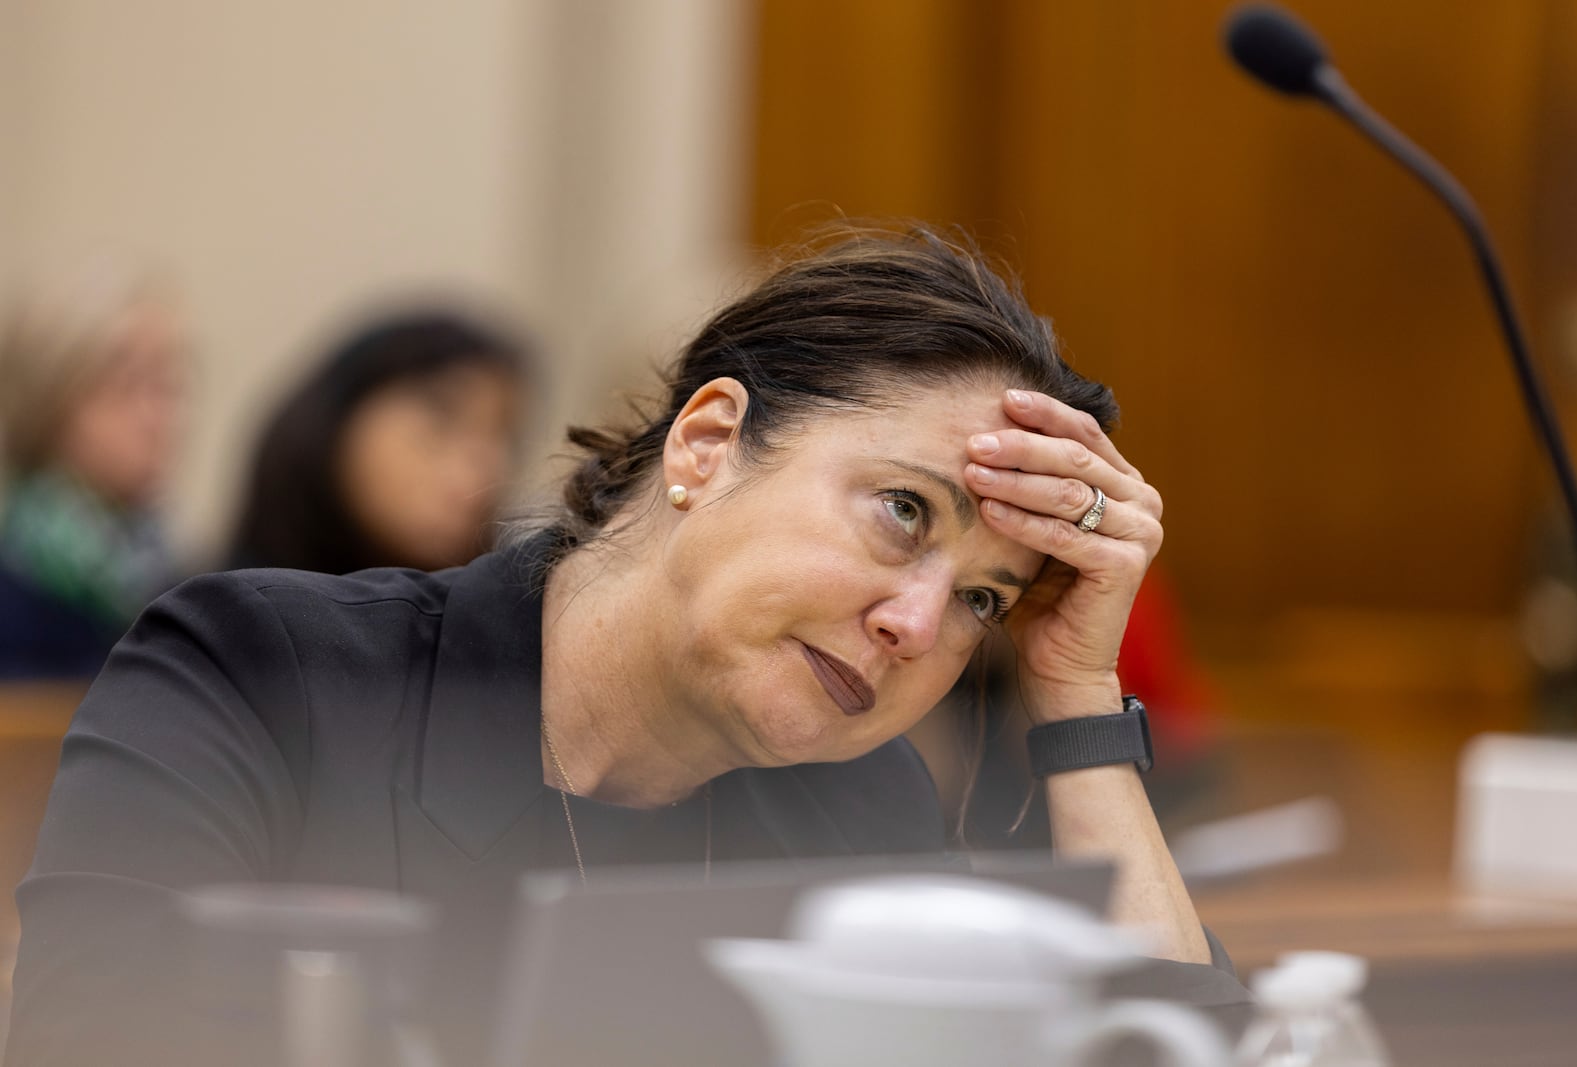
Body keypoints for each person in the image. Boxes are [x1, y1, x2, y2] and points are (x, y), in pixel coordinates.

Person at [5, 226, 1246, 1066]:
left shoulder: (857, 803)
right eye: (901, 511)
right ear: (705, 444)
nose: (917, 626)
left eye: (983, 598)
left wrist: (1076, 687)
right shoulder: (259, 678)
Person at [226, 310, 530, 575]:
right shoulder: (204, 622)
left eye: (502, 435)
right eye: (443, 419)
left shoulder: (503, 627)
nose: (482, 471)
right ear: (342, 416)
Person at [0, 262, 186, 679]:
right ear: (46, 398)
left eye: (170, 385)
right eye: (129, 384)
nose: (161, 418)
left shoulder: (186, 590)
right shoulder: (13, 600)